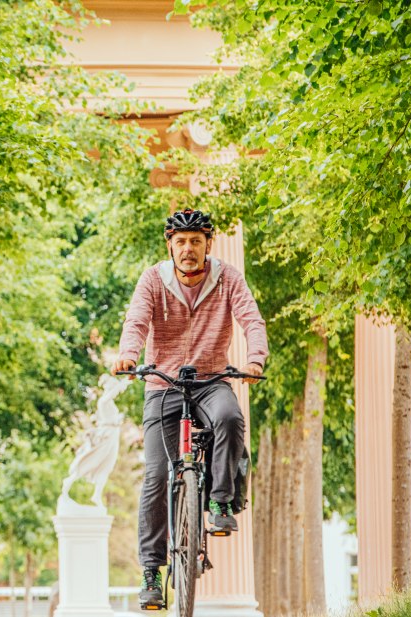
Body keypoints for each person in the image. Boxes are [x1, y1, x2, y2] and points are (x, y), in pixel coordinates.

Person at [111, 209, 268, 609]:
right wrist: (129, 356)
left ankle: (218, 501)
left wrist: (255, 360)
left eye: (195, 241)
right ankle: (151, 570)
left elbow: (251, 318)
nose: (187, 249)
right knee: (154, 477)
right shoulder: (153, 279)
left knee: (230, 418)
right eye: (180, 241)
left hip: (212, 380)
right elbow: (136, 322)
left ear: (207, 245)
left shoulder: (227, 277)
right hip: (162, 385)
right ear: (170, 244)